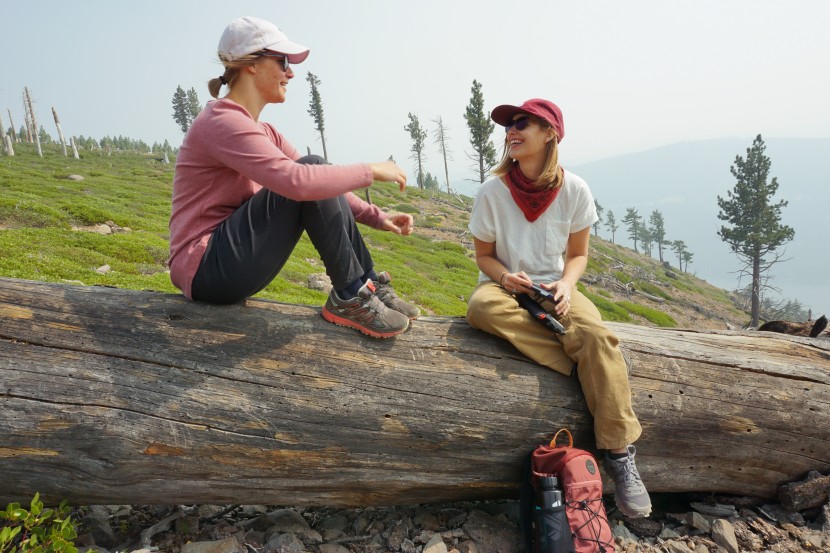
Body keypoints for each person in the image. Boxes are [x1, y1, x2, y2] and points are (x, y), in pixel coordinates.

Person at [168, 16, 420, 339]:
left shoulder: (263, 131)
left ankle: (366, 285)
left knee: (315, 170)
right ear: (251, 65)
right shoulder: (219, 121)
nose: (291, 72)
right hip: (205, 269)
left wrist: (377, 216)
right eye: (283, 61)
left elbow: (317, 181)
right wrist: (370, 171)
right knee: (310, 169)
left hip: (228, 263)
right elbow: (298, 181)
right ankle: (350, 295)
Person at [465, 98, 652, 518]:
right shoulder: (492, 191)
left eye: (523, 124)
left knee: (599, 335)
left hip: (554, 288)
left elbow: (579, 255)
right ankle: (590, 363)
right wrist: (504, 278)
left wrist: (567, 284)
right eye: (509, 125)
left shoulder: (575, 189)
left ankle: (620, 457)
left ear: (550, 133)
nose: (511, 131)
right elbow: (484, 257)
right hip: (507, 288)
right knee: (479, 308)